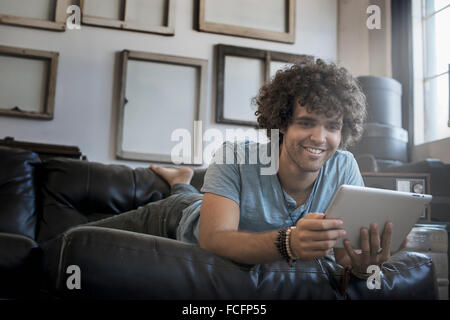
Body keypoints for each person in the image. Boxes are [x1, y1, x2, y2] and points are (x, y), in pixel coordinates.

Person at [87, 59, 401, 276]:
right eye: (306, 123)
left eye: (332, 126)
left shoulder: (344, 166)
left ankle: (182, 178)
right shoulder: (234, 156)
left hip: (210, 203)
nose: (320, 138)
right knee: (78, 240)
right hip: (176, 216)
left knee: (194, 194)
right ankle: (180, 184)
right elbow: (214, 239)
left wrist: (363, 264)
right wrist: (288, 242)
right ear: (281, 124)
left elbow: (346, 256)